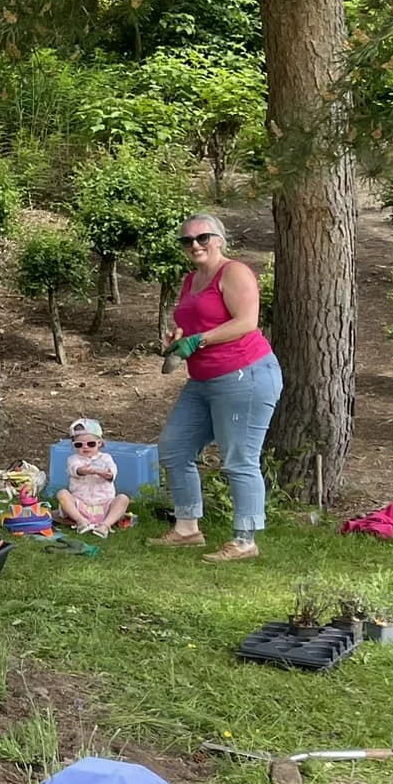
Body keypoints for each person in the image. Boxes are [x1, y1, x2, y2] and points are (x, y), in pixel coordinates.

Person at [152, 213, 282, 562]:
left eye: (203, 238)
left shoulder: (234, 272)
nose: (195, 245)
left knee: (239, 458)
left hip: (246, 374)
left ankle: (245, 540)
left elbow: (246, 322)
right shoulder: (190, 280)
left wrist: (199, 340)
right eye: (187, 241)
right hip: (204, 379)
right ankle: (186, 528)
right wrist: (177, 338)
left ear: (220, 240)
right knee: (174, 447)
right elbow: (190, 324)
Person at [55, 416, 128, 536]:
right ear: (73, 445)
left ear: (99, 443)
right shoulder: (73, 459)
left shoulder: (106, 458)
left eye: (91, 444)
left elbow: (112, 472)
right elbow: (75, 469)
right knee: (62, 494)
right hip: (80, 504)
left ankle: (105, 525)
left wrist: (107, 474)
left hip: (105, 504)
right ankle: (81, 521)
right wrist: (83, 470)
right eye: (79, 445)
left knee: (123, 499)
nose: (85, 447)